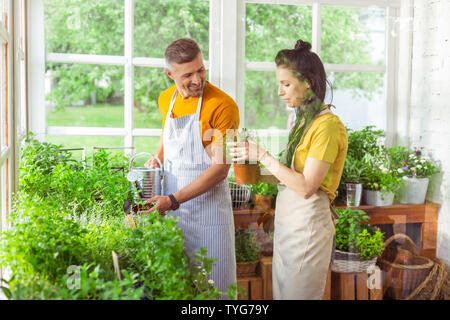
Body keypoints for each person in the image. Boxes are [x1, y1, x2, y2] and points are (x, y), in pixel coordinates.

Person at [228, 39, 348, 299]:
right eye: (279, 85)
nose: (280, 92)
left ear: (308, 82)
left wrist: (262, 155)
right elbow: (290, 177)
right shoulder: (303, 122)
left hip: (308, 229)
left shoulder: (326, 126)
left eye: (286, 84)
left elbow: (306, 187)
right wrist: (251, 171)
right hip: (289, 228)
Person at [142, 38, 239, 299]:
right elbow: (167, 134)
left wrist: (173, 200)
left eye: (201, 70)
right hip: (174, 215)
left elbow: (220, 169)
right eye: (188, 75)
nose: (197, 79)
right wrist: (156, 157)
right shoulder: (166, 99)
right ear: (170, 74)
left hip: (210, 219)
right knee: (179, 290)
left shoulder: (222, 106)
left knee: (216, 291)